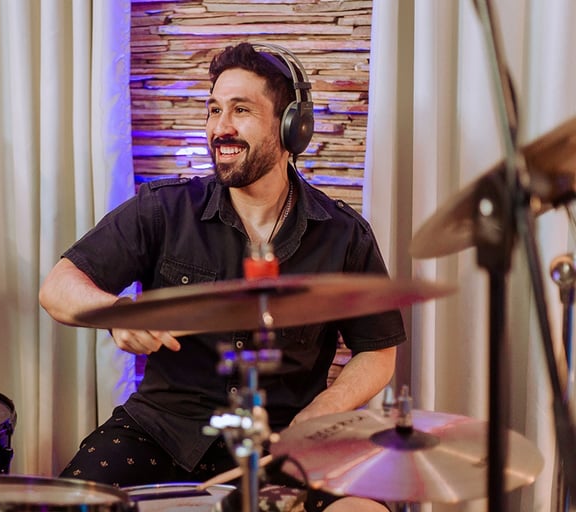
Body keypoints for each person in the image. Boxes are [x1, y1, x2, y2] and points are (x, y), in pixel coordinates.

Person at [39, 41, 406, 512]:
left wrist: (321, 413)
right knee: (72, 504)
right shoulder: (164, 210)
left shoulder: (343, 235)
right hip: (163, 430)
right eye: (213, 110)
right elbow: (58, 287)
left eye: (241, 110)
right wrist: (115, 312)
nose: (221, 127)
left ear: (292, 126)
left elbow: (378, 351)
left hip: (283, 441)